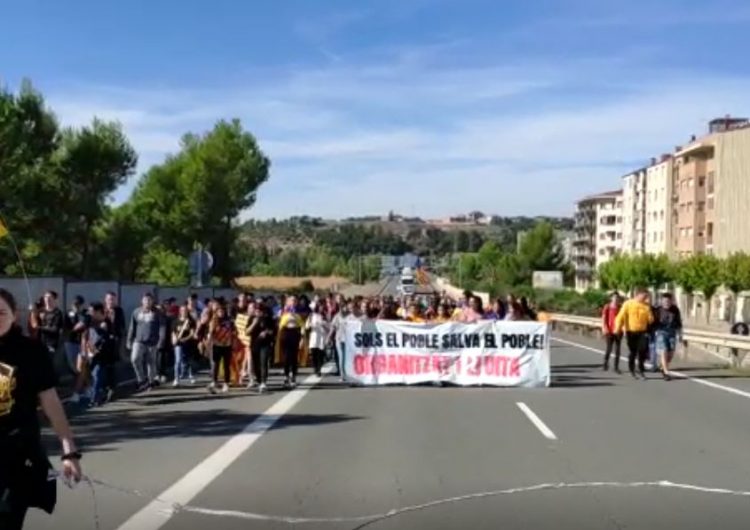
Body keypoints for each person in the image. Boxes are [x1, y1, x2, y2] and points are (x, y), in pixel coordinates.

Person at [0, 288, 82, 530]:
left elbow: (51, 402)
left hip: (16, 454)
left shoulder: (30, 351)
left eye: (1, 313)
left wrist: (69, 450)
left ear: (15, 315)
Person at [126, 293, 166, 392]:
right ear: (142, 301)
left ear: (152, 301)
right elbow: (132, 327)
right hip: (139, 340)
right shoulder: (136, 312)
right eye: (145, 300)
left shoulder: (157, 313)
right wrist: (129, 340)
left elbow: (162, 327)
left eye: (149, 300)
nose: (147, 302)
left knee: (151, 363)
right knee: (134, 359)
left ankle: (150, 381)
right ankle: (141, 379)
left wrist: (161, 341)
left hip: (152, 342)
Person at [615, 288, 654, 380]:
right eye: (644, 296)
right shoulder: (628, 304)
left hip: (642, 332)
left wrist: (650, 316)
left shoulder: (646, 306)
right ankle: (632, 370)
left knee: (642, 351)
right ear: (638, 295)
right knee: (633, 351)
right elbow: (620, 317)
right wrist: (617, 329)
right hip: (631, 332)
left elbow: (651, 319)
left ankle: (641, 370)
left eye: (646, 296)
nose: (645, 298)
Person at [85, 303, 117, 407]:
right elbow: (87, 337)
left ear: (98, 312)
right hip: (93, 354)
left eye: (92, 311)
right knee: (97, 376)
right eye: (89, 311)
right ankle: (100, 394)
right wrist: (88, 350)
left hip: (105, 354)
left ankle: (95, 399)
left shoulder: (105, 322)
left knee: (98, 375)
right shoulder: (89, 322)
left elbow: (108, 338)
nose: (90, 314)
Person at [64, 296, 90, 404]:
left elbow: (82, 325)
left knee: (81, 367)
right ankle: (89, 386)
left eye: (78, 304)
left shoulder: (85, 314)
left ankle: (77, 393)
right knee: (74, 367)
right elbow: (67, 327)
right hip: (70, 342)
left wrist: (76, 327)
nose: (76, 306)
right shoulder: (68, 313)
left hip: (82, 343)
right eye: (75, 304)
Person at [653, 293, 683, 381]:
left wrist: (680, 335)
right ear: (661, 301)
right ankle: (666, 372)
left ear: (671, 301)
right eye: (665, 301)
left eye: (669, 301)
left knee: (671, 353)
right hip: (661, 332)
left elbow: (679, 323)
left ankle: (663, 366)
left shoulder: (675, 309)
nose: (667, 303)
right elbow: (652, 321)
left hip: (672, 332)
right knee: (664, 351)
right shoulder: (657, 309)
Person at [277, 296, 304, 389]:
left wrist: (302, 338)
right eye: (291, 300)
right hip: (285, 334)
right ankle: (286, 376)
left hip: (294, 334)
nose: (293, 302)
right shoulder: (283, 313)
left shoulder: (298, 314)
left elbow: (302, 327)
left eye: (295, 301)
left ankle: (293, 376)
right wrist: (285, 317)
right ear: (287, 302)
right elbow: (280, 326)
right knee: (286, 357)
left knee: (294, 357)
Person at [247, 303, 275, 392]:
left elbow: (273, 331)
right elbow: (247, 332)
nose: (258, 312)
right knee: (256, 365)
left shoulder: (268, 319)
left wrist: (266, 332)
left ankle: (263, 382)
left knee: (263, 363)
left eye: (260, 311)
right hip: (254, 344)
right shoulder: (251, 319)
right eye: (256, 310)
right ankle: (259, 380)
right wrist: (254, 323)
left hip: (265, 344)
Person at [208, 305, 235, 394]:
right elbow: (211, 334)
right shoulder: (213, 321)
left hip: (227, 345)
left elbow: (234, 332)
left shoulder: (229, 321)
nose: (221, 313)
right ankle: (214, 382)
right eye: (219, 311)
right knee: (215, 364)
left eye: (222, 311)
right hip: (217, 345)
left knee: (226, 365)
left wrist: (231, 341)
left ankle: (226, 383)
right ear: (216, 312)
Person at [172, 305, 197, 387]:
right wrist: (175, 339)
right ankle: (176, 379)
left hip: (188, 343)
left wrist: (185, 339)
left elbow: (192, 333)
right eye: (182, 310)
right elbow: (173, 332)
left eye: (185, 310)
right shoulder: (175, 321)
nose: (183, 312)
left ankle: (191, 375)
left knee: (188, 360)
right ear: (180, 311)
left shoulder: (191, 321)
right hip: (178, 344)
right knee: (178, 361)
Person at [36, 291, 64, 363]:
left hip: (51, 344)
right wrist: (32, 312)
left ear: (54, 299)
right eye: (45, 297)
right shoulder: (41, 311)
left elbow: (54, 330)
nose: (47, 300)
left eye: (49, 298)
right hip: (40, 343)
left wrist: (39, 327)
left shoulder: (57, 313)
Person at [601, 293, 623, 373]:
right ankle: (605, 362)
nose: (616, 299)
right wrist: (604, 327)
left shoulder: (620, 307)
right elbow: (603, 318)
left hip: (618, 330)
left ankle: (616, 367)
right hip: (609, 330)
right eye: (614, 297)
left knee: (617, 350)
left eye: (617, 298)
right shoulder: (607, 307)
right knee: (609, 349)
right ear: (611, 298)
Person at [307, 304, 329, 377]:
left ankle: (319, 369)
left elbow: (329, 327)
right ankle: (315, 368)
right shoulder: (311, 315)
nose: (321, 308)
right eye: (320, 307)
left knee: (320, 354)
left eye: (322, 307)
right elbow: (307, 326)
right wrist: (311, 324)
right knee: (314, 354)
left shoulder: (325, 316)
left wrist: (324, 324)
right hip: (314, 336)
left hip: (322, 337)